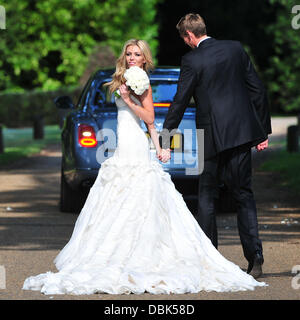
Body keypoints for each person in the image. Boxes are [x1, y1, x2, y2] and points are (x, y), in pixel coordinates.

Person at [23, 39, 267, 295]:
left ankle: (148, 256)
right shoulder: (119, 79)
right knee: (116, 203)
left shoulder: (141, 80)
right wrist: (160, 145)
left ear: (144, 58)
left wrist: (131, 104)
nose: (131, 57)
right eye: (128, 53)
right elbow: (150, 124)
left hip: (135, 147)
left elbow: (150, 118)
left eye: (136, 54)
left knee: (143, 198)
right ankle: (118, 257)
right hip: (122, 147)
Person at [161, 13, 272, 279]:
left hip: (209, 137)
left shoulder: (191, 60)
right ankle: (255, 258)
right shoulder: (235, 49)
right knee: (243, 194)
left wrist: (165, 139)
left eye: (184, 39)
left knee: (207, 196)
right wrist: (262, 132)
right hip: (241, 134)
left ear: (189, 35)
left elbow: (180, 101)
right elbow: (257, 89)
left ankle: (210, 260)